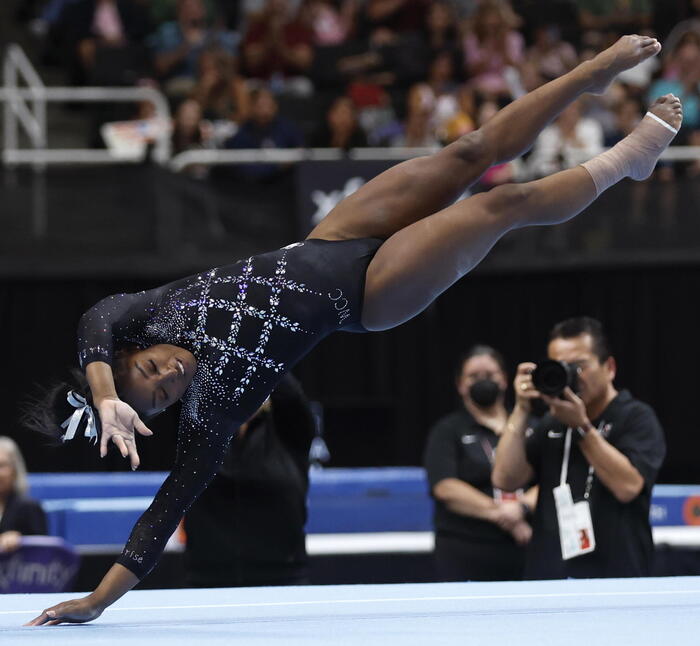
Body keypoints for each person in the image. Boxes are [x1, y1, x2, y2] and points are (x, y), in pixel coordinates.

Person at [25, 35, 679, 625]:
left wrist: (107, 394)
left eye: (148, 372)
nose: (168, 379)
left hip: (333, 237)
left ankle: (590, 74)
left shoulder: (152, 312)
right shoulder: (213, 410)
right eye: (161, 399)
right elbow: (162, 514)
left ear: (132, 354)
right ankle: (625, 162)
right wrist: (95, 600)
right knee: (497, 204)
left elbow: (97, 320)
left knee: (471, 151)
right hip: (367, 296)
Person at [492, 317, 666, 579]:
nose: (571, 375)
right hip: (549, 574)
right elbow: (505, 479)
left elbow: (628, 487)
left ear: (609, 367)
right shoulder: (552, 423)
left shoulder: (636, 417)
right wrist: (521, 410)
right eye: (561, 366)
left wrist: (583, 427)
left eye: (579, 366)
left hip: (617, 577)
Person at [184, 374, 315, 587]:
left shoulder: (291, 430)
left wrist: (257, 347)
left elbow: (290, 391)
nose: (242, 392)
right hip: (206, 577)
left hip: (283, 576)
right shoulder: (200, 429)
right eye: (234, 382)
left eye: (252, 384)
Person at [424, 346, 535, 582]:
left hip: (529, 547)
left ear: (505, 380)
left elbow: (552, 477)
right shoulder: (447, 430)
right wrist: (505, 516)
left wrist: (522, 507)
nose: (482, 381)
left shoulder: (532, 426)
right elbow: (445, 487)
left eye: (490, 375)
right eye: (474, 377)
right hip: (466, 549)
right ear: (460, 385)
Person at [0, 437, 48, 553]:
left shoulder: (29, 508)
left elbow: (44, 554)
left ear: (15, 470)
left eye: (2, 465)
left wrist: (22, 540)